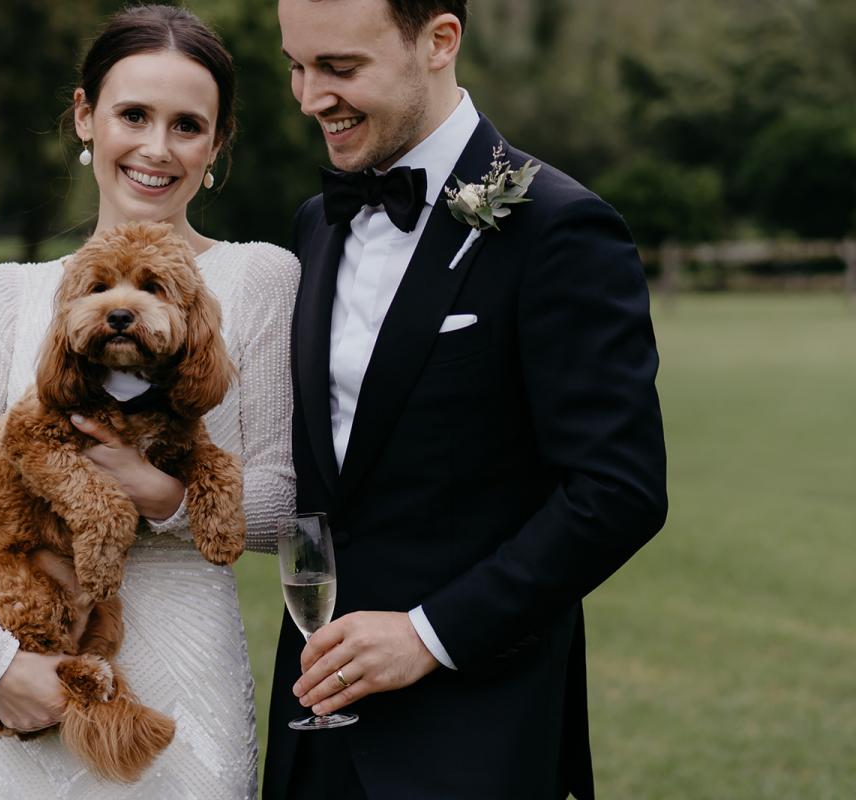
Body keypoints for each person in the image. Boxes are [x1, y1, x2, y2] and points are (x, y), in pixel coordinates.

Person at [0, 6, 298, 798]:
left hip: (188, 685)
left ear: (217, 146)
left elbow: (289, 495)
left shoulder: (259, 281)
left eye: (188, 125)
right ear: (85, 117)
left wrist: (163, 497)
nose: (156, 147)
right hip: (31, 677)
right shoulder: (11, 296)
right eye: (133, 115)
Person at [266, 1, 668, 798]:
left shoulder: (560, 228)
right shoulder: (317, 223)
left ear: (439, 42)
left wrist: (428, 635)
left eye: (341, 69)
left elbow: (618, 493)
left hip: (477, 728)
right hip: (315, 725)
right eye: (296, 67)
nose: (311, 98)